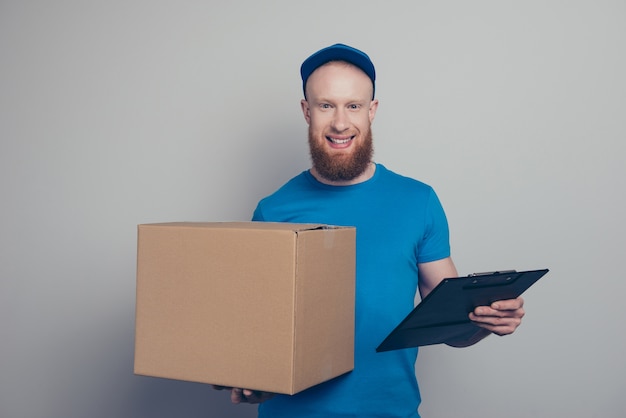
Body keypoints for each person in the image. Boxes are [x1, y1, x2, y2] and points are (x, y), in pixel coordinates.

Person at [215, 43, 525, 417]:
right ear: (306, 111)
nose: (341, 123)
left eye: (354, 106)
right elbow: (255, 335)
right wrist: (251, 383)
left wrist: (486, 322)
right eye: (326, 105)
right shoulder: (273, 210)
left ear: (372, 111)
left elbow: (451, 326)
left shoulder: (418, 202)